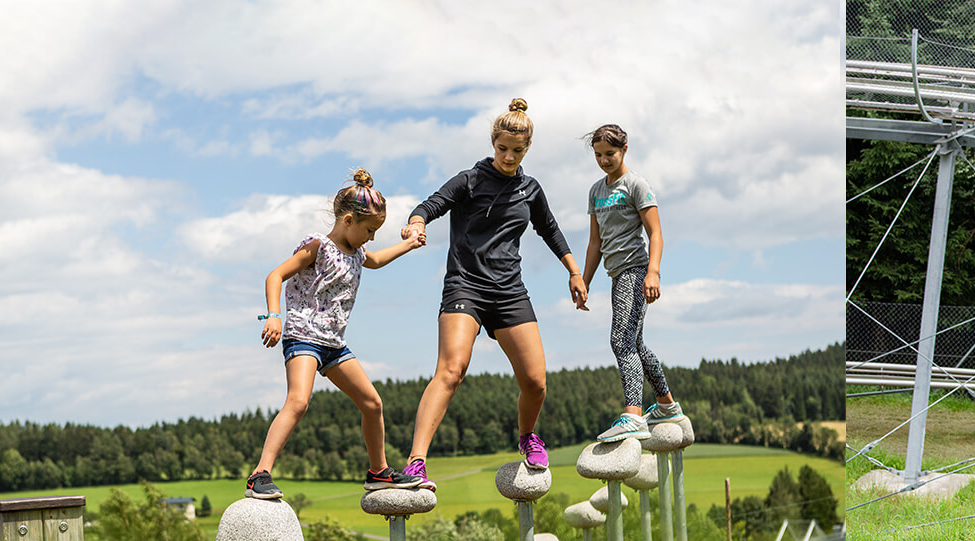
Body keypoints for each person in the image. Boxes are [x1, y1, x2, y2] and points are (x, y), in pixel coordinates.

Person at [399, 99, 586, 481]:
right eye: (502, 148)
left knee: (535, 382)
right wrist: (416, 224)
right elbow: (430, 205)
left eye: (517, 151)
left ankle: (528, 436)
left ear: (527, 149)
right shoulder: (469, 179)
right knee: (452, 370)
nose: (508, 156)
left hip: (509, 291)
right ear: (493, 143)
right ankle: (416, 460)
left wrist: (573, 271)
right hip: (465, 285)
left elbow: (549, 229)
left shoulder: (530, 190)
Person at [247, 169, 430, 500]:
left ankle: (378, 472)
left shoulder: (358, 252)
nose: (372, 237)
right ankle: (260, 474)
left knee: (372, 403)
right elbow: (275, 275)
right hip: (303, 335)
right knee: (299, 401)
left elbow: (375, 259)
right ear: (347, 220)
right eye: (369, 230)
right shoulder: (319, 246)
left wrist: (407, 244)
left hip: (333, 343)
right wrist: (274, 316)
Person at [577, 124, 682, 442]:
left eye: (610, 154)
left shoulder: (636, 185)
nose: (604, 160)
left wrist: (653, 272)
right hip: (615, 274)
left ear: (624, 149)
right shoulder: (596, 191)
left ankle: (634, 415)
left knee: (620, 342)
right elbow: (595, 243)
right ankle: (667, 406)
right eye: (598, 155)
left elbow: (656, 233)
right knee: (634, 344)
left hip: (635, 271)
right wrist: (584, 281)